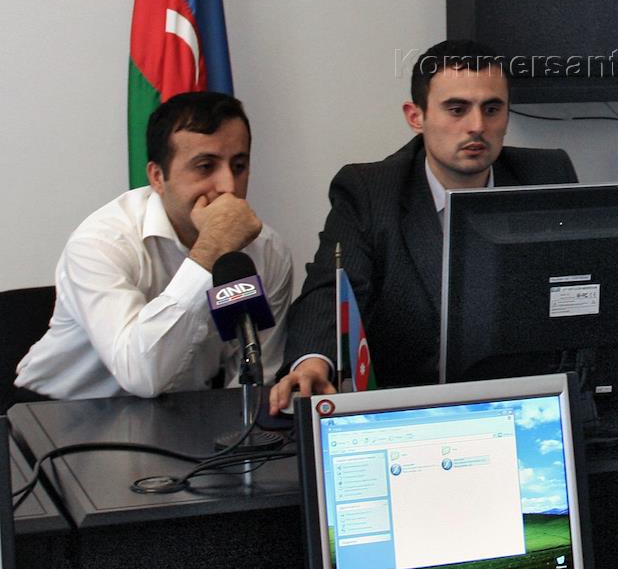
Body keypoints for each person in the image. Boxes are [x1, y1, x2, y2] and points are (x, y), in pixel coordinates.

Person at [270, 41, 577, 412]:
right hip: (414, 406)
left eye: (492, 109)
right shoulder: (369, 192)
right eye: (457, 109)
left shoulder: (547, 177)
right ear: (416, 117)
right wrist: (313, 361)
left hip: (530, 400)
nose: (477, 126)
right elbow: (332, 290)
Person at [14, 92, 293, 402]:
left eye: (239, 166)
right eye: (205, 167)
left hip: (183, 412)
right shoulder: (101, 242)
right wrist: (210, 251)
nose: (228, 186)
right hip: (57, 413)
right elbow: (141, 376)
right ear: (158, 177)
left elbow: (256, 378)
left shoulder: (267, 250)